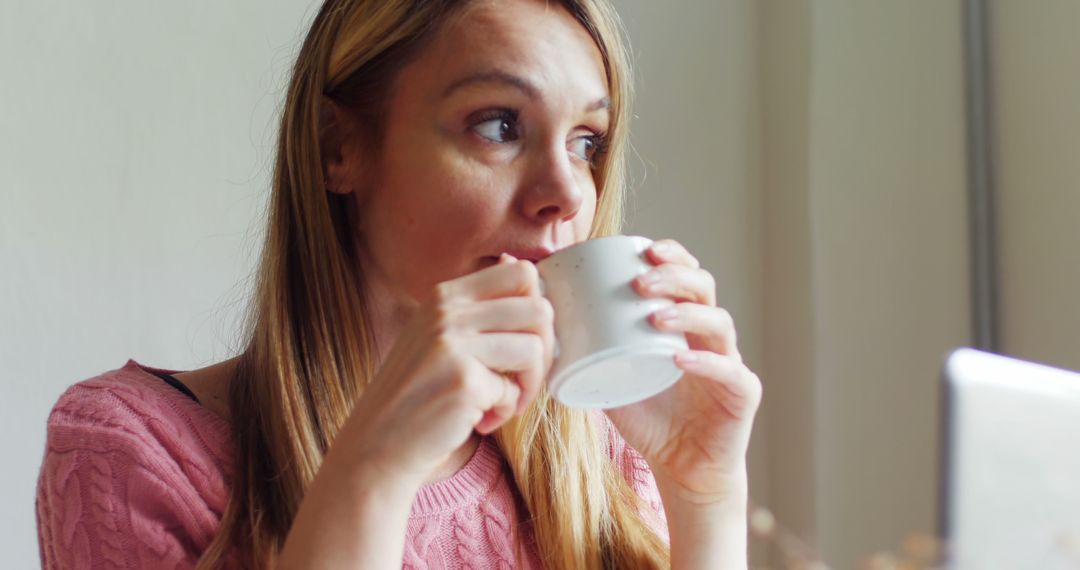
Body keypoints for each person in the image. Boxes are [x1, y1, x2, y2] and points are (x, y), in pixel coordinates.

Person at [35, 0, 762, 568]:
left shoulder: (606, 458)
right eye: (500, 125)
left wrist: (707, 496)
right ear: (338, 148)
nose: (567, 194)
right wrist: (375, 472)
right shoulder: (134, 450)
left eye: (587, 143)